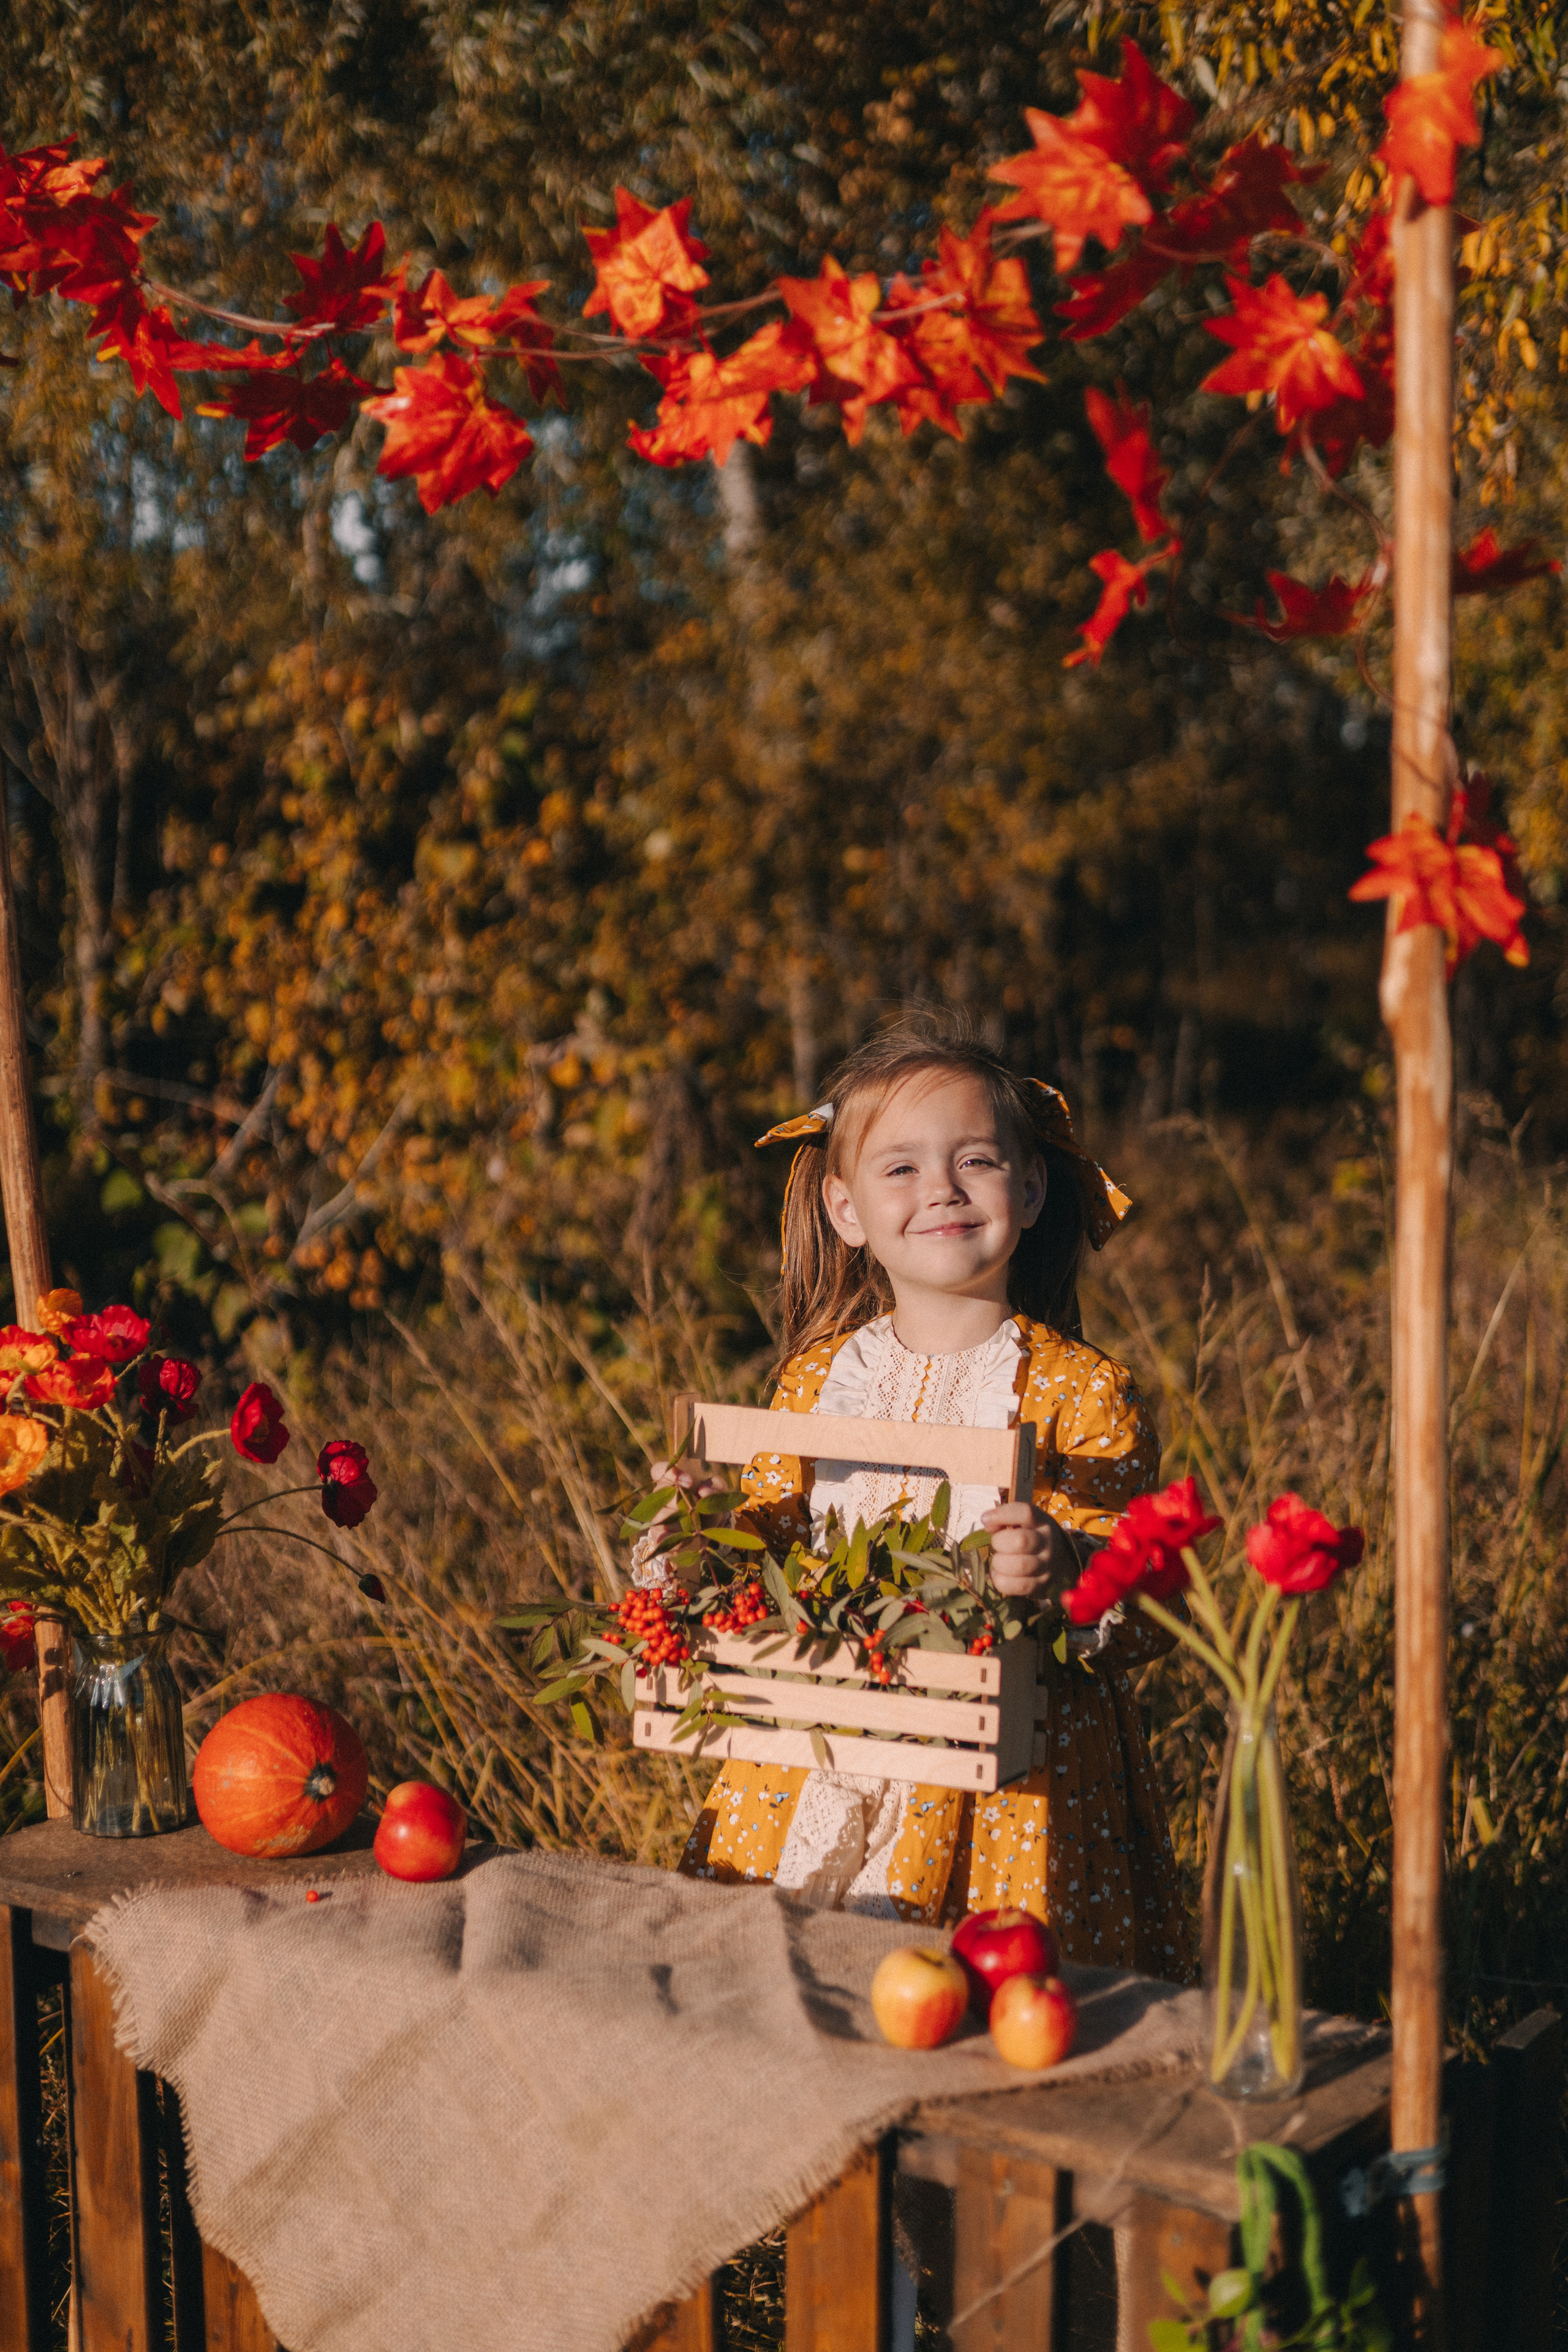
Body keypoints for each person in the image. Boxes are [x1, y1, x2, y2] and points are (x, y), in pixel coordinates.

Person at [639, 1013, 1194, 1984]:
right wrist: (697, 1538)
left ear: (1027, 1191)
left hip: (1011, 1779)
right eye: (901, 1168)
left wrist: (1065, 1565)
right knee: (802, 1992)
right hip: (817, 1750)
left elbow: (1147, 1598)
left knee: (983, 2018)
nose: (940, 1187)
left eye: (974, 1160)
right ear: (847, 1211)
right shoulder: (811, 1384)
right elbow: (764, 1549)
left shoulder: (1079, 1392)